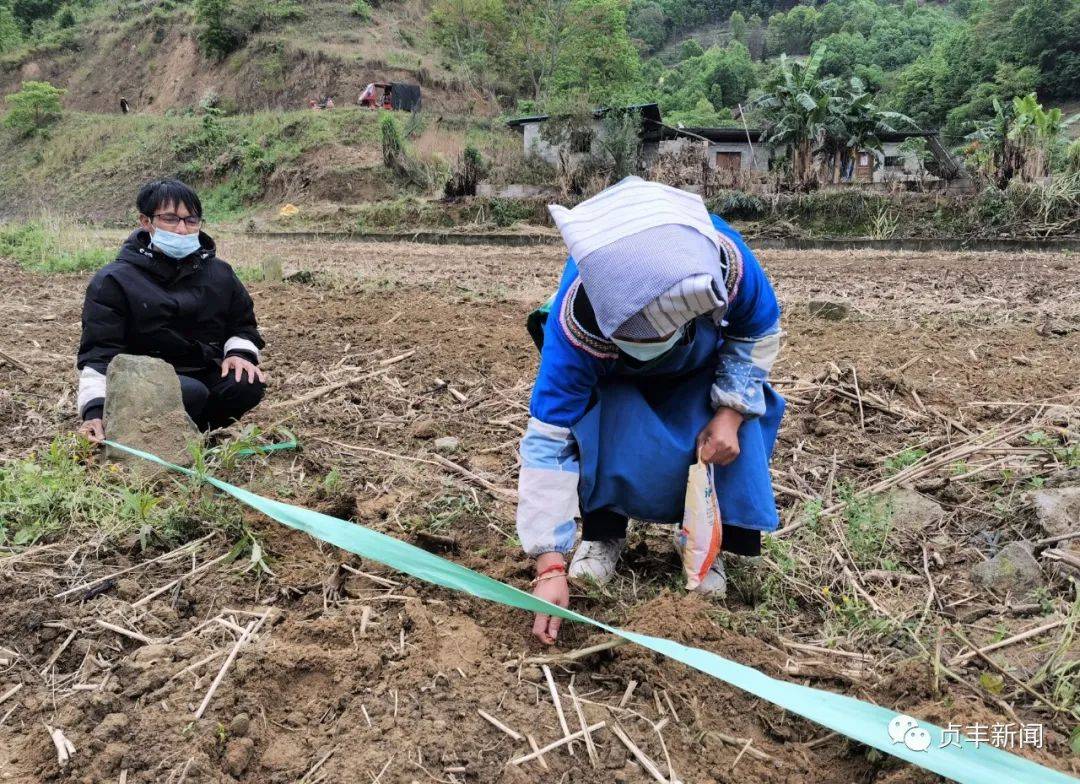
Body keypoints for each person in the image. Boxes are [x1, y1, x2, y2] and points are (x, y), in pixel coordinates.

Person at [519, 177, 784, 644]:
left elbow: (757, 331)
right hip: (617, 383)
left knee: (735, 429)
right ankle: (603, 533)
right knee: (599, 423)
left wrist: (730, 413)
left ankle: (706, 545)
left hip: (704, 368)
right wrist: (549, 564)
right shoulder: (574, 327)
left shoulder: (728, 263)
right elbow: (549, 439)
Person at [76, 179, 266, 442]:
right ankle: (143, 432)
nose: (181, 230)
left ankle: (200, 435)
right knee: (191, 392)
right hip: (143, 378)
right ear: (146, 222)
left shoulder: (219, 274)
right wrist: (94, 411)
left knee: (245, 384)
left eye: (191, 221)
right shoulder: (115, 280)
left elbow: (242, 323)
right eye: (170, 219)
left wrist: (239, 353)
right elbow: (99, 351)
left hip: (201, 367)